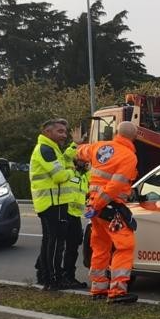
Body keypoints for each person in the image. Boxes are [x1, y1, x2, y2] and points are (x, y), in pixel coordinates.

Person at [72, 121, 139, 304]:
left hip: (94, 206)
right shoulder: (128, 156)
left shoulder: (100, 147)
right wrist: (100, 204)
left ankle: (98, 288)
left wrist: (77, 143)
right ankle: (117, 291)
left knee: (100, 246)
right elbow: (115, 185)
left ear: (117, 132)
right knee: (124, 246)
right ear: (134, 136)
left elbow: (81, 152)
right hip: (109, 207)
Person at [29, 118, 79, 290]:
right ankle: (53, 280)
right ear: (47, 132)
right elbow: (59, 176)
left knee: (50, 241)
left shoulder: (51, 148)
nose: (64, 135)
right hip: (53, 203)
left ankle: (45, 277)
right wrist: (71, 170)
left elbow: (63, 162)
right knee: (56, 243)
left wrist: (74, 147)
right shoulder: (46, 149)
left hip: (52, 203)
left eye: (65, 131)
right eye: (60, 131)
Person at [60, 143, 89, 289]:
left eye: (86, 159)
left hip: (75, 215)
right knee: (58, 244)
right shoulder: (68, 169)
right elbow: (66, 156)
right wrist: (76, 145)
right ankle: (61, 275)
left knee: (73, 244)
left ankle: (67, 275)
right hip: (64, 212)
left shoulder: (85, 175)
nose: (84, 161)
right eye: (82, 159)